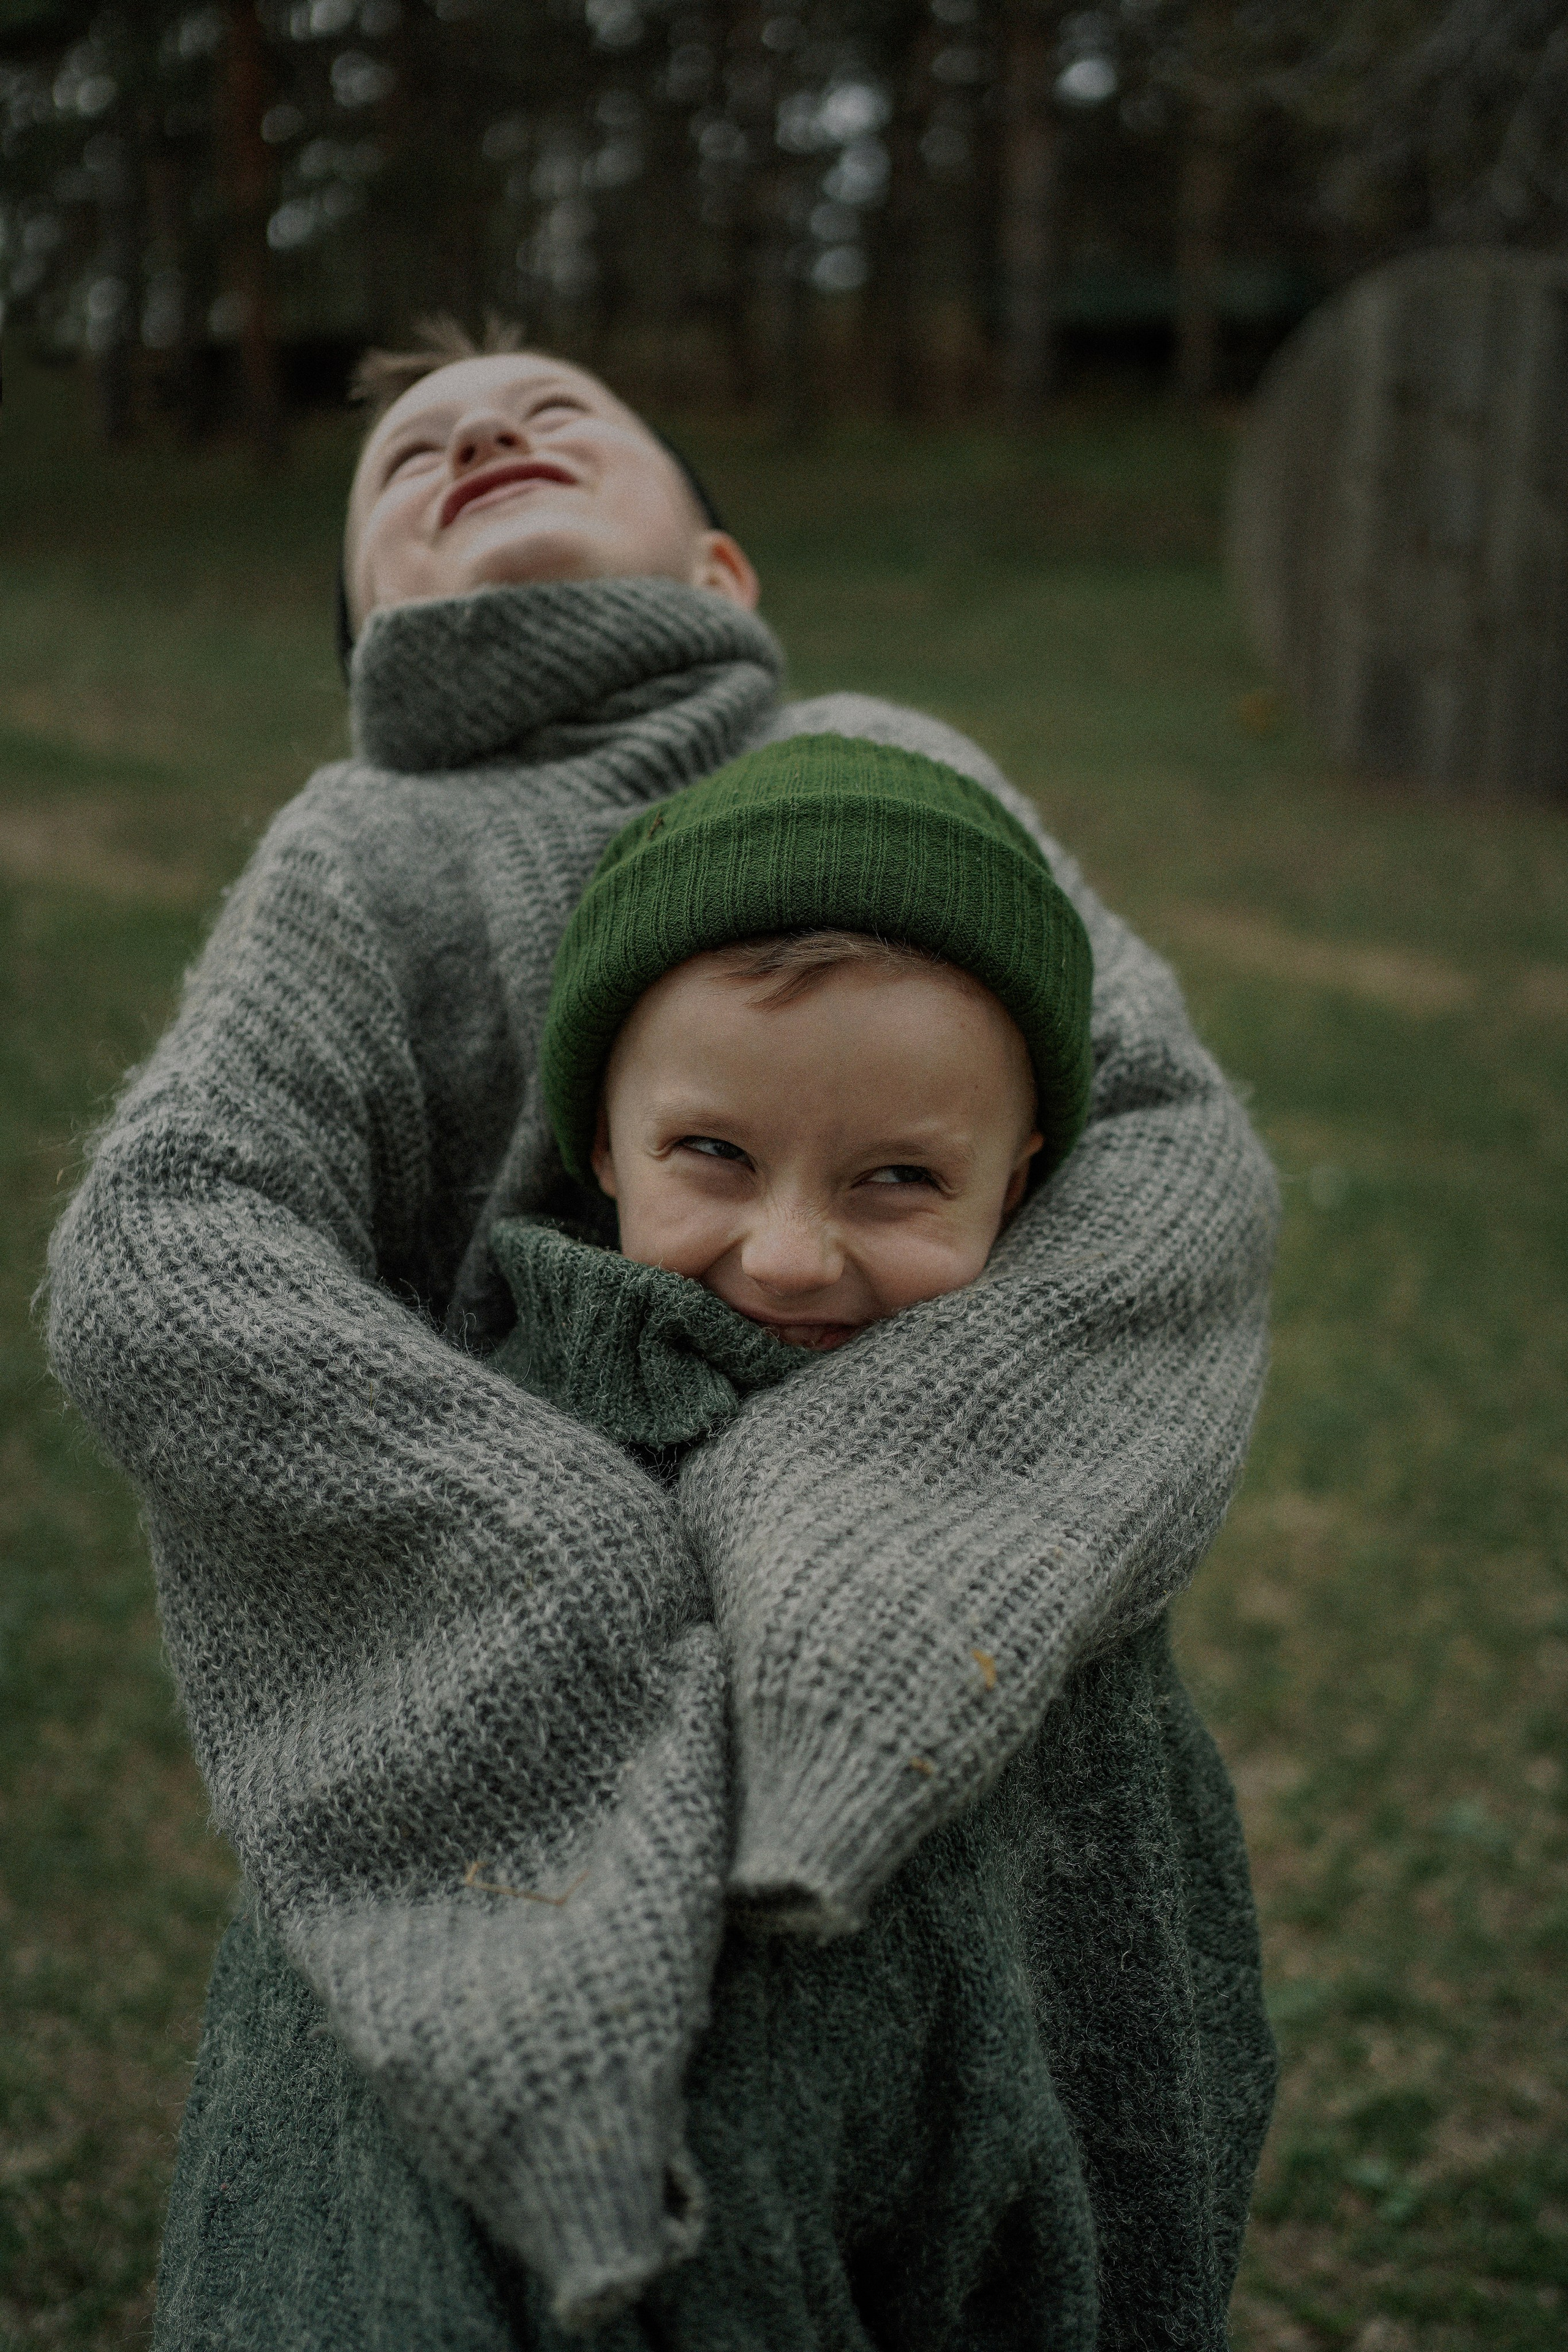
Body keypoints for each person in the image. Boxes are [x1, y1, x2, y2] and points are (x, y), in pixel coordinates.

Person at [46, 324, 1280, 2348]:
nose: (482, 437)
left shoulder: (893, 760)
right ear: (370, 626)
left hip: (964, 1629)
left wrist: (867, 1524)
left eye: (557, 415)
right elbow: (168, 1244)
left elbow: (1165, 1157)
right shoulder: (358, 857)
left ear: (722, 574)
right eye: (409, 457)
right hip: (513, 1683)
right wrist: (544, 1544)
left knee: (1065, 2144)